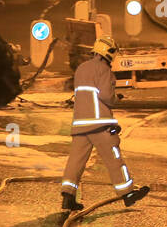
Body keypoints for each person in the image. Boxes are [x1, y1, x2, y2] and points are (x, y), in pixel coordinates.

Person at [60, 36, 150, 213]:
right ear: (109, 53)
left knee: (75, 161)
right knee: (114, 158)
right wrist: (116, 98)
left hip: (79, 124)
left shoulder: (81, 68)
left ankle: (67, 196)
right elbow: (107, 97)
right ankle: (127, 193)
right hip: (99, 125)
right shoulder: (104, 70)